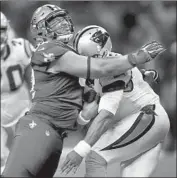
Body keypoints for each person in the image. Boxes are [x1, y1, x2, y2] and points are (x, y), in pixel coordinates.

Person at [2, 4, 165, 178]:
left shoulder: (67, 54)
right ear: (41, 30)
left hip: (56, 135)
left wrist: (138, 73)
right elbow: (99, 68)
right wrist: (133, 58)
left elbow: (100, 69)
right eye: (55, 22)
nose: (63, 24)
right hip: (39, 128)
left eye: (63, 19)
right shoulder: (48, 49)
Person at [60, 25, 169, 177]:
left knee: (94, 158)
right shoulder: (111, 63)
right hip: (141, 122)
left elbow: (106, 115)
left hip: (146, 119)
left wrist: (80, 150)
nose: (81, 61)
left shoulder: (111, 71)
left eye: (85, 55)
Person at [0, 12, 34, 174]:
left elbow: (36, 71)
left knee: (27, 152)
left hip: (20, 101)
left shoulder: (20, 48)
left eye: (2, 29)